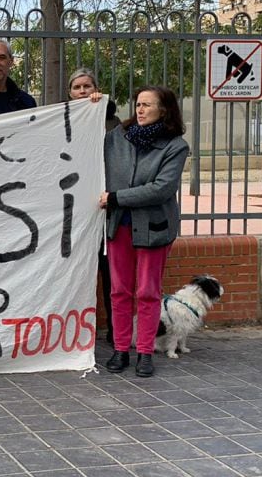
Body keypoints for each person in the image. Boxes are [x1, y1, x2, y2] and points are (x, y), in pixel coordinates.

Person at [100, 85, 189, 378]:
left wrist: (116, 198)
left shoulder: (175, 146)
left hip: (153, 228)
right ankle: (121, 349)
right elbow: (88, 136)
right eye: (138, 104)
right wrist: (93, 104)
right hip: (119, 225)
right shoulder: (118, 137)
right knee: (119, 290)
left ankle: (145, 352)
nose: (139, 110)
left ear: (163, 110)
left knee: (148, 292)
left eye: (147, 105)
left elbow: (161, 188)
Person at [67, 67, 120, 343]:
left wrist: (105, 109)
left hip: (105, 208)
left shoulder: (112, 123)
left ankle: (115, 329)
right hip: (72, 209)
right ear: (70, 93)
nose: (83, 91)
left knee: (110, 273)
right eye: (77, 87)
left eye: (88, 86)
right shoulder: (61, 121)